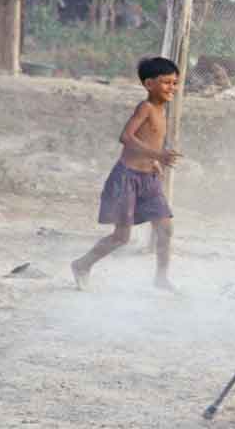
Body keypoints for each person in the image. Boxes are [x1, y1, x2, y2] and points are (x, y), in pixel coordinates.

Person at [71, 57, 183, 293]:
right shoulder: (146, 108)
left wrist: (154, 161)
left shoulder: (163, 111)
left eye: (175, 83)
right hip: (127, 179)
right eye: (166, 83)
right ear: (149, 84)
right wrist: (157, 154)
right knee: (122, 236)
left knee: (165, 228)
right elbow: (126, 137)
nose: (172, 88)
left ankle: (161, 278)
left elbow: (150, 137)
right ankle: (82, 264)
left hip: (148, 178)